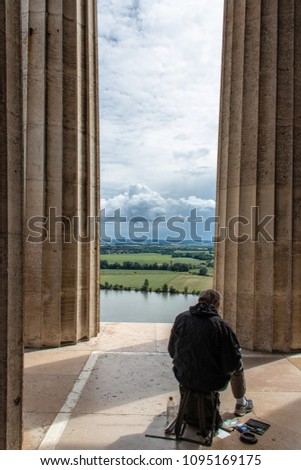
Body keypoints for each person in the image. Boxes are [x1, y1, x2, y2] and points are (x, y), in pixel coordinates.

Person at [168, 289, 253, 420]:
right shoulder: (221, 325)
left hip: (183, 376)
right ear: (217, 304)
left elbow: (172, 351)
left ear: (199, 300)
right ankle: (241, 404)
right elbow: (232, 362)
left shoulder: (181, 318)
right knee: (238, 366)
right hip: (213, 381)